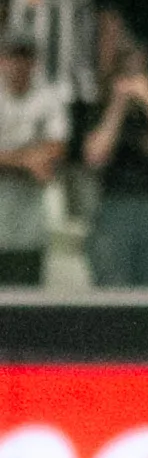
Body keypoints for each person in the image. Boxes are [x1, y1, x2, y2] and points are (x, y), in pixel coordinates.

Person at [83, 42, 148, 287]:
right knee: (112, 289)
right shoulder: (100, 106)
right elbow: (95, 156)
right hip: (114, 206)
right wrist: (118, 105)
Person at [0, 36, 67, 286]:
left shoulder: (48, 97)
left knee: (24, 301)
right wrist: (27, 160)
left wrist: (9, 158)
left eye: (25, 57)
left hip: (29, 224)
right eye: (14, 57)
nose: (19, 65)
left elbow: (56, 149)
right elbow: (38, 157)